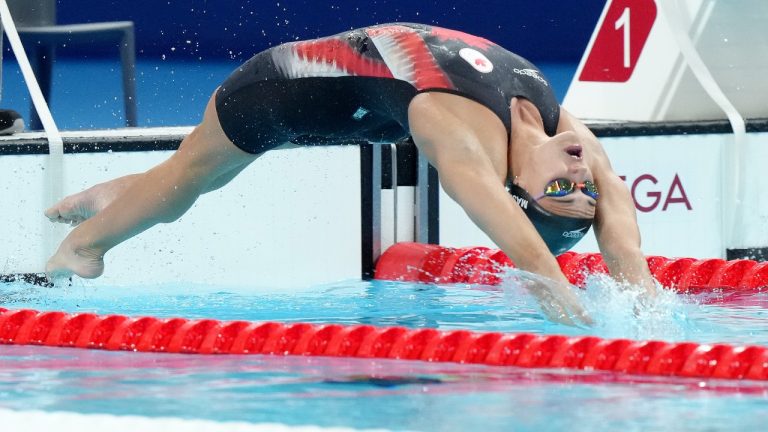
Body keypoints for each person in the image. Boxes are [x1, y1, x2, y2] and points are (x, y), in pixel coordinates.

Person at [45, 23, 656, 326]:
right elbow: (606, 213)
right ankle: (81, 245)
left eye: (563, 192)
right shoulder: (549, 130)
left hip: (297, 99)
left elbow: (523, 238)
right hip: (280, 83)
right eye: (582, 189)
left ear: (516, 185)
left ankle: (111, 209)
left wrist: (615, 315)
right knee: (190, 183)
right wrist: (627, 302)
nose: (581, 170)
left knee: (191, 179)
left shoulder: (466, 142)